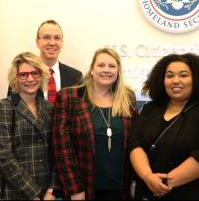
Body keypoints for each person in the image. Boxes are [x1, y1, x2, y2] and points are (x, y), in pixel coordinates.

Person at [129, 53, 199, 200]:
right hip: (148, 191)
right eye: (169, 76)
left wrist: (162, 184)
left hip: (193, 193)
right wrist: (147, 177)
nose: (175, 81)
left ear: (196, 79)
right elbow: (135, 144)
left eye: (183, 75)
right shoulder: (150, 109)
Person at [52, 47, 137, 200]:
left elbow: (134, 143)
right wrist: (75, 189)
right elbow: (62, 149)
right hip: (85, 189)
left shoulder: (128, 98)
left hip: (120, 189)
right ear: (91, 69)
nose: (106, 70)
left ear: (118, 72)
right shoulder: (69, 97)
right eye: (101, 65)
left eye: (112, 66)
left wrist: (134, 182)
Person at [0, 52, 59, 200]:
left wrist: (51, 190)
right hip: (15, 192)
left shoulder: (50, 108)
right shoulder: (2, 107)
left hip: (47, 193)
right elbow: (3, 157)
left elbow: (57, 151)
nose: (30, 79)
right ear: (15, 77)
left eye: (35, 73)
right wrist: (33, 194)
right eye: (23, 74)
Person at [7, 20, 82, 102]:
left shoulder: (76, 77)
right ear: (37, 42)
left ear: (62, 42)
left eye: (57, 38)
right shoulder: (20, 75)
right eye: (46, 37)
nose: (52, 43)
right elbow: (11, 107)